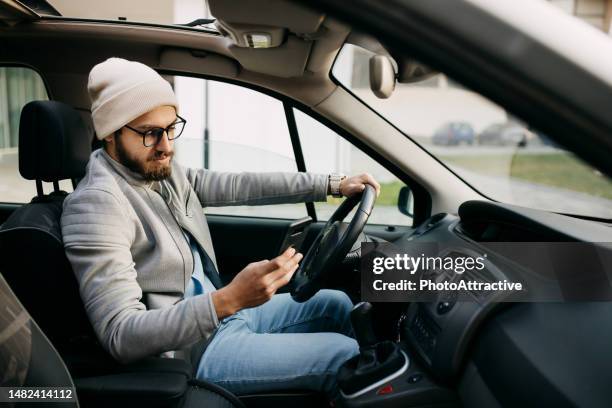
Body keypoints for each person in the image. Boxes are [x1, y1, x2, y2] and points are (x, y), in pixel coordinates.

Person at [61, 58, 381, 396]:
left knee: (337, 304)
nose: (167, 146)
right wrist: (228, 299)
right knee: (343, 357)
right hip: (192, 351)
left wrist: (331, 184)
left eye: (171, 128)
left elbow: (239, 185)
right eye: (150, 133)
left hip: (222, 316)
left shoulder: (157, 172)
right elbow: (120, 334)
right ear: (110, 132)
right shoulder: (97, 204)